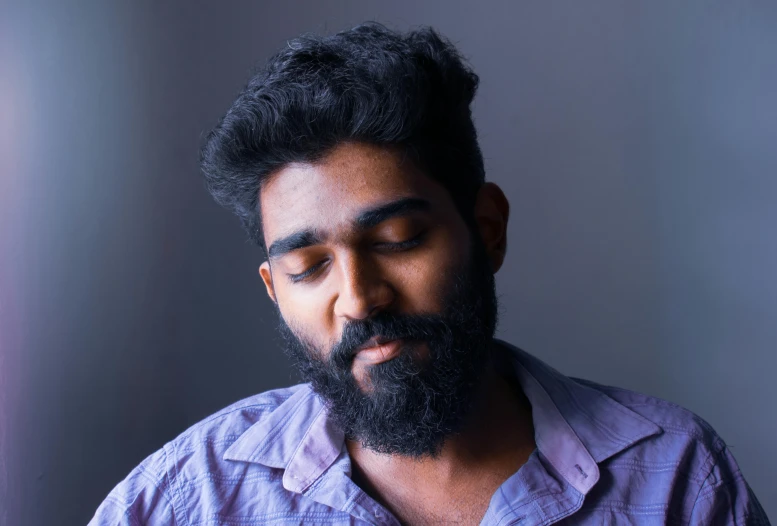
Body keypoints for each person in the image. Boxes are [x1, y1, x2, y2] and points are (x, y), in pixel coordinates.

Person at [89, 23, 769, 525]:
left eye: (397, 239)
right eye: (308, 266)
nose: (358, 298)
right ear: (273, 288)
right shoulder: (187, 500)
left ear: (487, 229)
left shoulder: (674, 479)